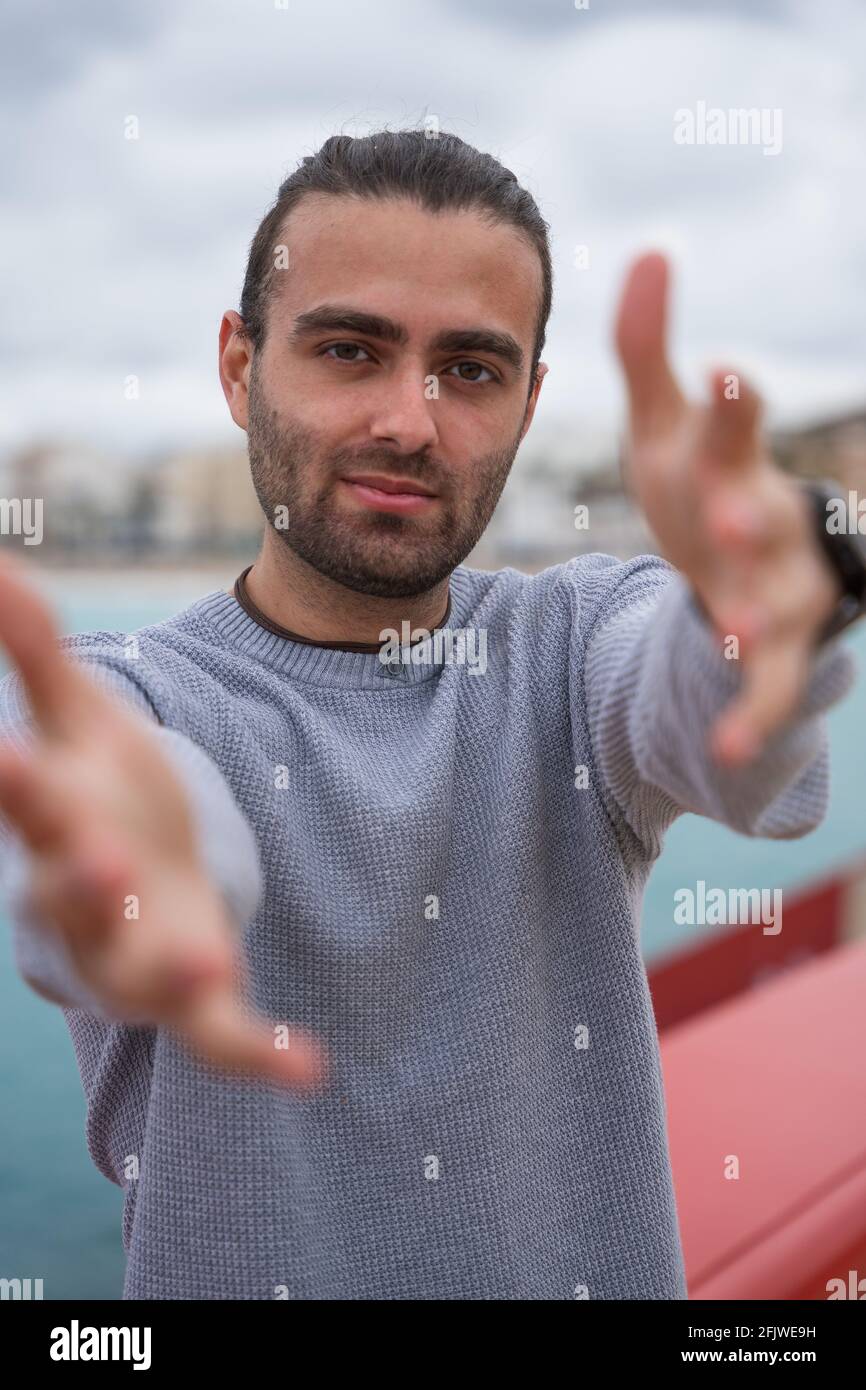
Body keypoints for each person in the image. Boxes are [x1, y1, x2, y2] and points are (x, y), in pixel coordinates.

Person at [0, 130, 859, 1300]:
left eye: (470, 369)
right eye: (349, 350)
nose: (409, 421)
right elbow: (132, 819)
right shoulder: (122, 698)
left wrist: (785, 588)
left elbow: (691, 703)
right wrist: (139, 884)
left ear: (528, 402)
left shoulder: (569, 648)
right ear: (239, 366)